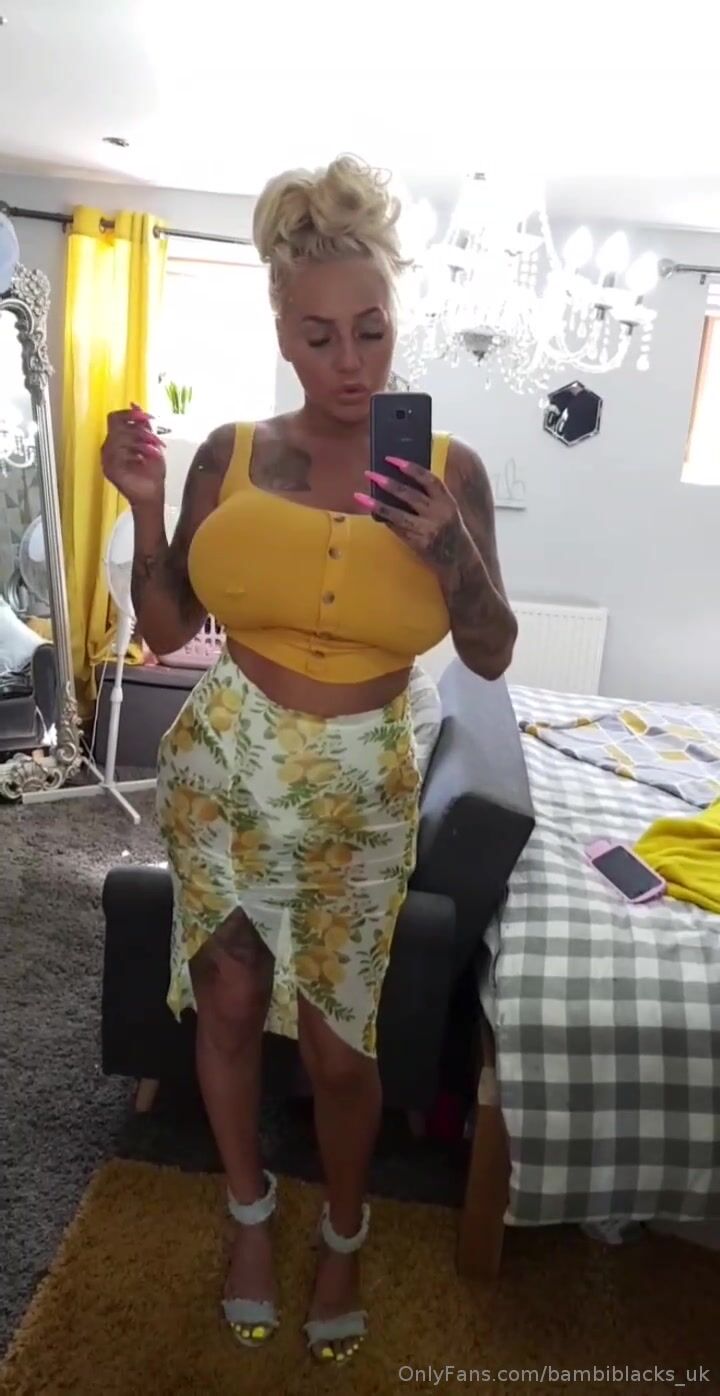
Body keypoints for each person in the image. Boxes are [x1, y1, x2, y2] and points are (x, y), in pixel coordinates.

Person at [101, 154, 517, 1364]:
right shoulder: (233, 454)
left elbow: (490, 653)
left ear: (396, 319)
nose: (351, 365)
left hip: (357, 793)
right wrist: (143, 504)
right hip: (226, 770)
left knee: (340, 1048)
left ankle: (344, 1228)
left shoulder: (451, 473)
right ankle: (248, 1211)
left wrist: (451, 553)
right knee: (229, 998)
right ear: (282, 331)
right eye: (321, 336)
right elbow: (168, 630)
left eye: (372, 332)